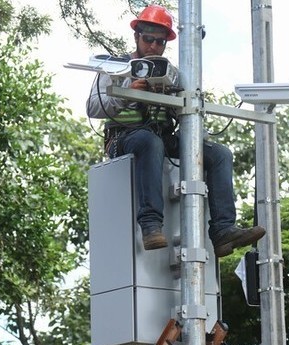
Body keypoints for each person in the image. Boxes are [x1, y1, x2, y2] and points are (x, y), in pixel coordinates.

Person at [86, 4, 265, 258]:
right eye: (148, 39)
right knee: (150, 142)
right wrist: (129, 93)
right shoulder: (115, 67)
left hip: (161, 137)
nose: (153, 47)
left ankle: (223, 231)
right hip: (125, 138)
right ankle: (150, 225)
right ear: (136, 36)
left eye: (160, 42)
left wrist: (174, 96)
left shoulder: (172, 74)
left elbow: (190, 110)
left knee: (219, 154)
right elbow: (93, 106)